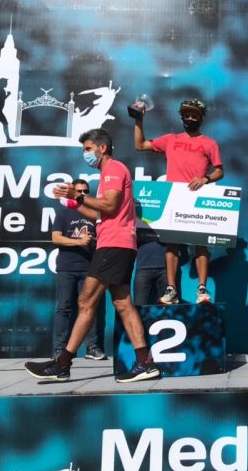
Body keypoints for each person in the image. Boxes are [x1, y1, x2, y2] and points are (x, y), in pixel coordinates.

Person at [25, 128, 159, 383]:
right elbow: (99, 213)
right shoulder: (107, 173)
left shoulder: (113, 169)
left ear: (102, 148)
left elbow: (109, 205)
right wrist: (73, 201)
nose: (85, 154)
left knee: (86, 301)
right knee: (123, 304)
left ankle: (62, 364)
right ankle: (145, 363)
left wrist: (78, 195)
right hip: (118, 244)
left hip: (114, 245)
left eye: (88, 149)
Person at [134, 98, 224, 305]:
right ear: (182, 117)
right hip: (174, 197)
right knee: (172, 244)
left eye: (194, 115)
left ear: (201, 119)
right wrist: (138, 120)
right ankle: (171, 289)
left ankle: (202, 289)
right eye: (187, 115)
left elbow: (220, 171)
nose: (190, 118)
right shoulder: (170, 139)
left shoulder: (209, 143)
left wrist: (205, 179)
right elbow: (140, 145)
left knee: (201, 244)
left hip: (197, 197)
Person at [50, 178, 106, 361]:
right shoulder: (63, 213)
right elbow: (56, 238)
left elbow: (104, 236)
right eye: (79, 191)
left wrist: (94, 241)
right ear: (72, 192)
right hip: (67, 268)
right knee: (64, 308)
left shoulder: (94, 214)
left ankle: (92, 347)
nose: (82, 194)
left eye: (86, 191)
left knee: (90, 308)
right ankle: (59, 349)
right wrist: (78, 241)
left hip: (90, 268)